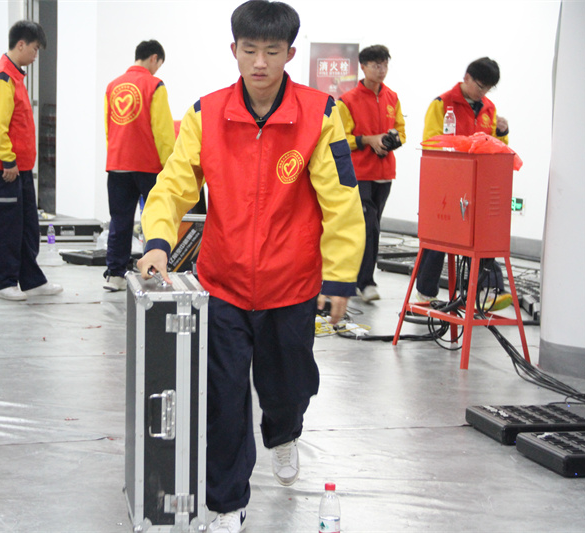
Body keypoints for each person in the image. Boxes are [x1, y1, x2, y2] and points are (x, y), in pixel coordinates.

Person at [136, 2, 365, 531]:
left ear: (290, 54)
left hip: (292, 285)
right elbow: (173, 185)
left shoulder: (321, 115)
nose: (260, 62)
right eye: (250, 50)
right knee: (223, 398)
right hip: (224, 284)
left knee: (289, 388)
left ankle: (284, 431)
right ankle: (227, 504)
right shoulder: (206, 114)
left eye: (272, 51)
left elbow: (342, 202)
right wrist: (157, 241)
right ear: (234, 50)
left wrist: (339, 277)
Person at [416, 57, 511, 311]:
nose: (483, 92)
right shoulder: (442, 104)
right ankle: (425, 291)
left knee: (482, 236)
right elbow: (431, 142)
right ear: (467, 77)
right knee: (439, 237)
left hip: (477, 184)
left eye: (488, 88)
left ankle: (485, 292)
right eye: (480, 86)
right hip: (446, 183)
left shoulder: (489, 108)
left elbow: (496, 147)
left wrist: (502, 132)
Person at [0, 20, 62, 301]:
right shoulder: (2, 78)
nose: (36, 55)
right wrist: (7, 161)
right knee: (7, 226)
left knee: (27, 226)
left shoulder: (15, 77)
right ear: (21, 44)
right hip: (6, 169)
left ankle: (31, 280)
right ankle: (4, 282)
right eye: (35, 49)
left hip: (21, 168)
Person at [103, 40, 175, 292]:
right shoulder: (154, 85)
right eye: (159, 64)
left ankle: (115, 274)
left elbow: (109, 128)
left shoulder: (112, 86)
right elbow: (163, 130)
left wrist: (115, 156)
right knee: (155, 218)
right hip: (147, 165)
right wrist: (169, 165)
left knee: (119, 220)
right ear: (154, 58)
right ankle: (152, 271)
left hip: (117, 164)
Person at [336, 45, 405, 302]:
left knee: (372, 227)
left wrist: (392, 140)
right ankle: (365, 283)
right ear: (363, 67)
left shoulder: (392, 98)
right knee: (368, 227)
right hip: (359, 174)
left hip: (385, 173)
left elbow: (401, 130)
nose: (381, 70)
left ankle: (356, 279)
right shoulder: (347, 101)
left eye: (385, 64)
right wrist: (367, 140)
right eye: (376, 65)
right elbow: (340, 139)